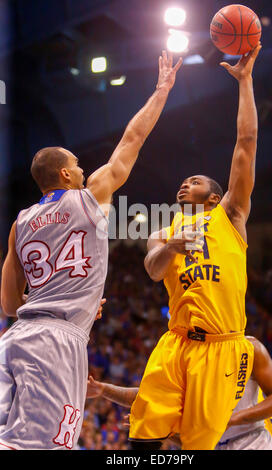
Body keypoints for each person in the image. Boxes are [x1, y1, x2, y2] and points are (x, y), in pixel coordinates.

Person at [0, 51, 182, 451]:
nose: (84, 170)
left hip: (13, 340)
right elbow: (132, 140)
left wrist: (59, 297)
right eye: (78, 165)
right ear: (66, 174)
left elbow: (11, 304)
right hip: (57, 342)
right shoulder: (88, 197)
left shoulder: (20, 222)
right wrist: (161, 90)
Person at [128, 44, 262, 450]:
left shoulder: (231, 214)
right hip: (175, 342)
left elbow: (246, 141)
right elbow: (153, 269)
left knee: (195, 446)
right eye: (183, 181)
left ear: (213, 195)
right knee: (143, 436)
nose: (185, 183)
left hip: (221, 348)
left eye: (196, 181)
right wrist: (170, 244)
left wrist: (245, 82)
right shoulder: (163, 228)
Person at [86, 336, 272, 450]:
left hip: (253, 440)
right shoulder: (184, 354)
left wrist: (230, 419)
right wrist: (104, 389)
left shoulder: (249, 347)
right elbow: (151, 397)